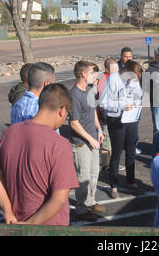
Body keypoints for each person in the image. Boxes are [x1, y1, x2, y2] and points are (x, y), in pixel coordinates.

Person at [0, 84, 79, 226]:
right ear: (62, 110)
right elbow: (60, 199)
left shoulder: (9, 133)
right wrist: (31, 224)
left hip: (16, 221)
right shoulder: (59, 144)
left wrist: (7, 211)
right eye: (67, 114)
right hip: (50, 227)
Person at [100, 60, 144, 199]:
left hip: (131, 118)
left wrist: (136, 102)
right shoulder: (113, 79)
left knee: (131, 150)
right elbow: (104, 103)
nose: (133, 80)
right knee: (117, 152)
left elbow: (138, 94)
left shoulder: (134, 80)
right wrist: (121, 106)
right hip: (116, 119)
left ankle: (131, 181)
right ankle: (114, 185)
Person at [69, 61, 105, 221]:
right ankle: (81, 209)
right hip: (82, 143)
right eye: (91, 73)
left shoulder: (89, 90)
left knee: (94, 173)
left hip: (93, 140)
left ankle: (90, 201)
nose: (94, 75)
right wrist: (91, 139)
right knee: (83, 177)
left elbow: (93, 112)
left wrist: (99, 129)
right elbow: (74, 123)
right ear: (83, 74)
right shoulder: (74, 95)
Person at [96, 58, 119, 172]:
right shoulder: (104, 80)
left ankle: (113, 164)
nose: (116, 70)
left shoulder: (116, 78)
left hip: (114, 116)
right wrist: (105, 114)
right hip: (105, 116)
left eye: (117, 68)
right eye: (114, 69)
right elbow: (101, 100)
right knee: (106, 142)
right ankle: (106, 165)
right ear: (107, 69)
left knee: (114, 140)